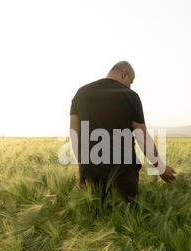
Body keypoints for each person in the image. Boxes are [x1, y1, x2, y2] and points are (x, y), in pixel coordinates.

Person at [69, 61, 176, 201]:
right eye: (131, 81)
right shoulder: (130, 95)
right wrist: (160, 168)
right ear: (124, 74)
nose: (130, 86)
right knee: (126, 216)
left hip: (89, 173)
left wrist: (83, 164)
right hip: (123, 175)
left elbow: (74, 133)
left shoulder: (81, 93)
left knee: (92, 217)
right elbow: (142, 137)